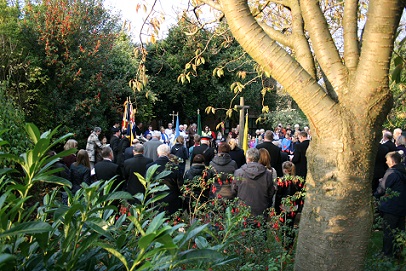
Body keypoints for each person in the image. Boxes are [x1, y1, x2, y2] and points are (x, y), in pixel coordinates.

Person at [374, 151, 406, 258]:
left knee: (388, 232)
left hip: (391, 207)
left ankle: (386, 254)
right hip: (402, 207)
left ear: (392, 161)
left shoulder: (391, 173)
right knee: (399, 231)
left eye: (387, 160)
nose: (386, 162)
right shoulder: (403, 171)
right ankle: (399, 253)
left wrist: (375, 196)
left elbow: (381, 190)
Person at [232, 148, 275, 217]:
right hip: (261, 208)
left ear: (247, 158)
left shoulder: (239, 172)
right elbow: (271, 192)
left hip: (243, 208)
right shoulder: (267, 174)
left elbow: (234, 190)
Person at [146, 144, 184, 215]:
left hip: (156, 197)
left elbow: (147, 183)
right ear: (169, 154)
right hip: (172, 198)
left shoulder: (150, 167)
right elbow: (180, 185)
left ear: (158, 153)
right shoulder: (175, 167)